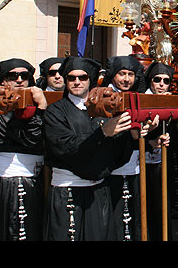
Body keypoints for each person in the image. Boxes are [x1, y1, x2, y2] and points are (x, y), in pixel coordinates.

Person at [42, 56, 135, 241]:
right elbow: (68, 148)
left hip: (99, 192)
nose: (77, 82)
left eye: (82, 77)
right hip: (67, 191)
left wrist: (133, 136)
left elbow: (118, 155)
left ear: (90, 80)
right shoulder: (55, 112)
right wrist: (102, 133)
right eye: (71, 78)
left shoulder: (105, 111)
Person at [0, 58, 48, 241]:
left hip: (35, 178)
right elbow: (29, 139)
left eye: (24, 75)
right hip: (9, 181)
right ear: (2, 81)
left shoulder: (32, 101)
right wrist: (41, 109)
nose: (19, 80)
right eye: (12, 76)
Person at [102, 55, 156, 241]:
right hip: (108, 165)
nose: (126, 79)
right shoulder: (102, 96)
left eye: (131, 74)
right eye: (121, 74)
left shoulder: (138, 96)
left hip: (134, 164)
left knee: (133, 213)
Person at [143, 62, 178, 240]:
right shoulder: (142, 98)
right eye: (157, 80)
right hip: (140, 162)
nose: (162, 84)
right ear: (150, 81)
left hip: (162, 162)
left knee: (162, 207)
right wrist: (150, 141)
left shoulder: (171, 100)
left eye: (166, 81)